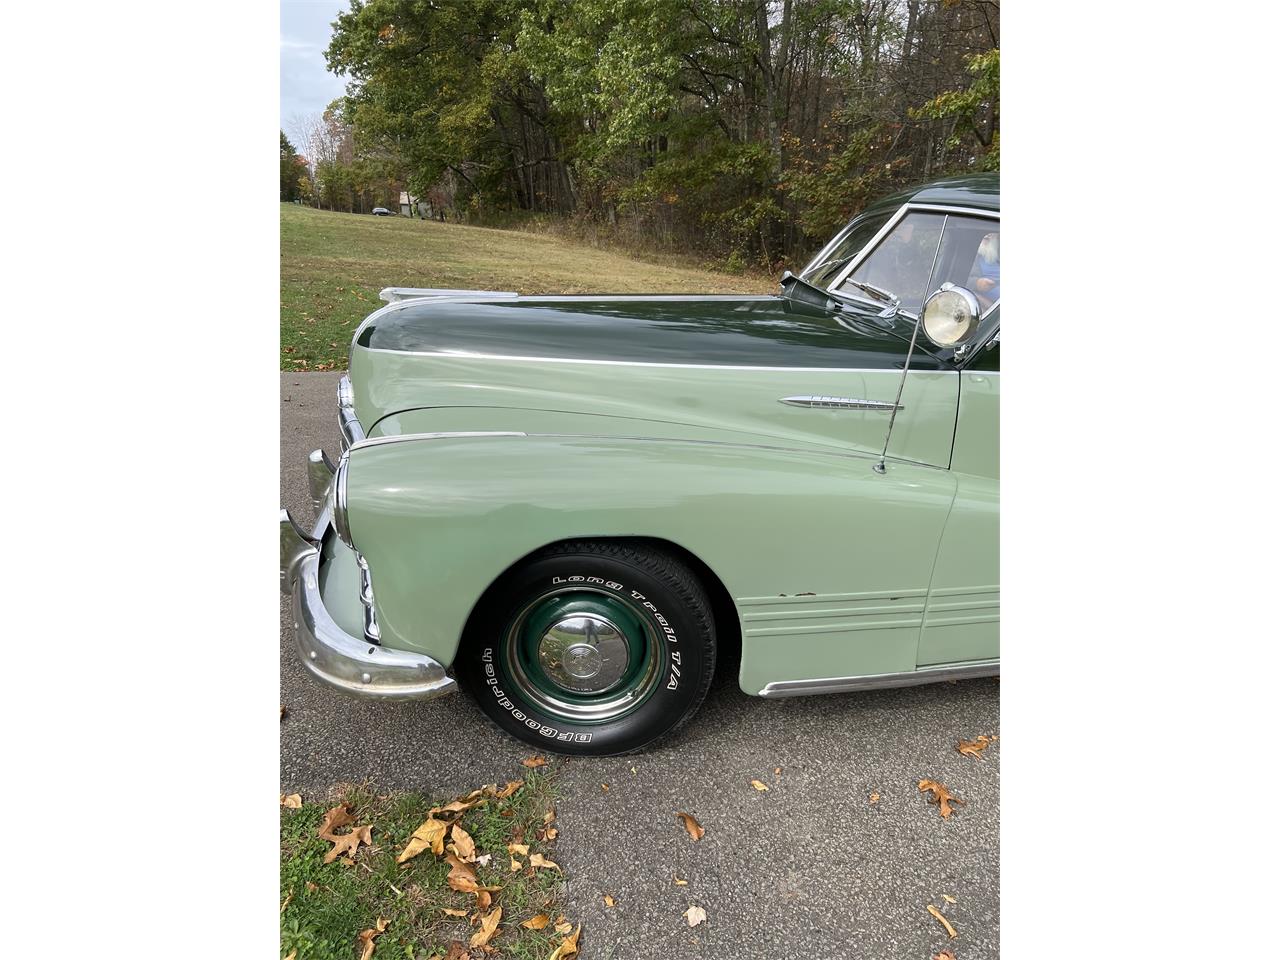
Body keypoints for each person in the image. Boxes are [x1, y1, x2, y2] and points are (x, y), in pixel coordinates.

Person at [973, 232, 1000, 307]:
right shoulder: (972, 256)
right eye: (984, 234)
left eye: (991, 233)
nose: (987, 235)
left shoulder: (998, 251)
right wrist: (977, 283)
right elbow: (959, 279)